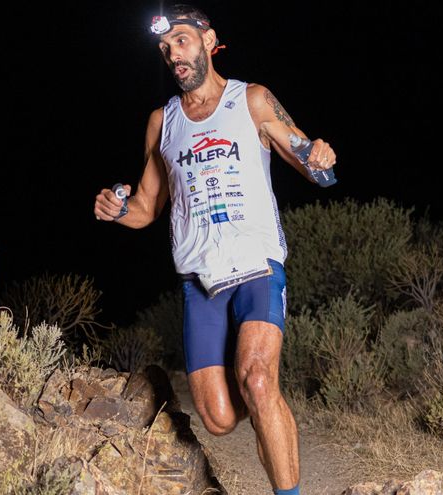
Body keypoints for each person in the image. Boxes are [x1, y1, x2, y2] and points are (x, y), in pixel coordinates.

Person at [93, 5, 336, 495]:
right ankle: (264, 405)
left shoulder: (252, 100)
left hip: (257, 267)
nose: (172, 55)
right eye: (165, 50)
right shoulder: (163, 122)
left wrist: (321, 156)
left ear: (209, 41)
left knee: (259, 380)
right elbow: (146, 206)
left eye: (180, 42)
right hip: (200, 283)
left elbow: (313, 165)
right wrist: (116, 209)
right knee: (219, 418)